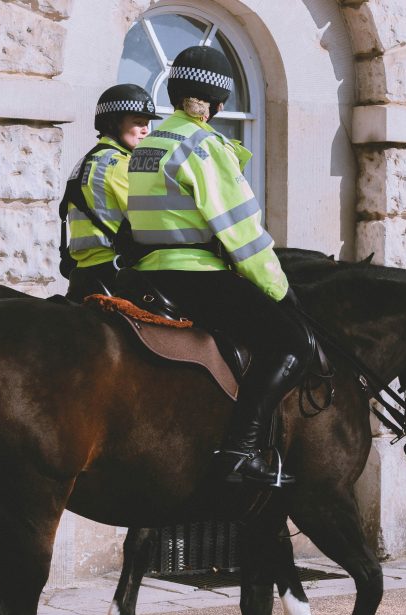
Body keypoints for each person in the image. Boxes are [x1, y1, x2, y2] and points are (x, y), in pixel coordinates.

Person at [126, 46, 313, 487]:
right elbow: (243, 235)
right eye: (221, 101)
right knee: (293, 341)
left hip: (149, 273)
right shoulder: (204, 147)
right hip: (196, 274)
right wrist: (281, 291)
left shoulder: (147, 146)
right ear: (210, 102)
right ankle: (239, 451)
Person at [62, 84, 161, 301]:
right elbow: (150, 221)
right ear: (113, 123)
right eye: (138, 123)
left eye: (147, 123)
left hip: (82, 273)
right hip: (115, 273)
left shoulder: (84, 162)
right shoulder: (121, 164)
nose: (146, 129)